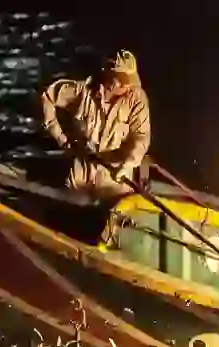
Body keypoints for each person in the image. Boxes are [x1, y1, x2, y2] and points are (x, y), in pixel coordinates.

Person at [40, 50, 151, 251]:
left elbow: (141, 138)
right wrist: (61, 137)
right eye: (121, 79)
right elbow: (48, 96)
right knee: (67, 224)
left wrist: (128, 165)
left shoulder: (136, 98)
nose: (126, 85)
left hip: (116, 176)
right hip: (82, 170)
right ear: (107, 76)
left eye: (129, 79)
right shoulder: (82, 92)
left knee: (115, 232)